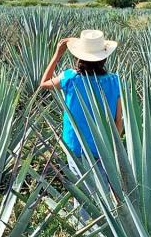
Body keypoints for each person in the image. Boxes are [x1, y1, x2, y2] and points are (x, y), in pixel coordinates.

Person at [39, 29, 123, 160]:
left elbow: (44, 83)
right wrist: (113, 147)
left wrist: (57, 54)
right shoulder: (115, 81)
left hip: (75, 145)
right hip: (104, 149)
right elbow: (119, 120)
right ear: (104, 58)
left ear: (79, 58)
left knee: (78, 179)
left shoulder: (70, 78)